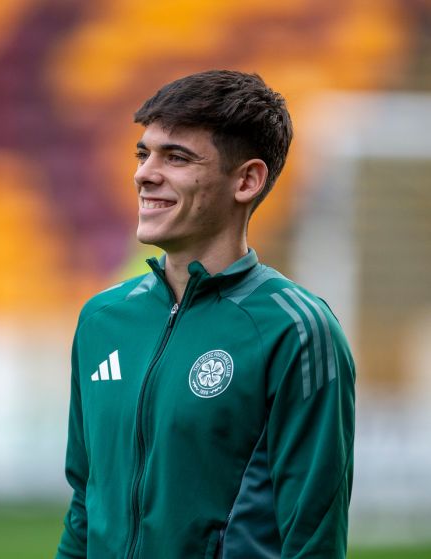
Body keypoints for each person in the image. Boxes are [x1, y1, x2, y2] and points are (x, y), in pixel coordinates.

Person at [55, 70, 355, 559]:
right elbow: (85, 507)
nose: (144, 173)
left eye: (176, 157)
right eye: (143, 153)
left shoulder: (297, 330)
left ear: (247, 180)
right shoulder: (101, 319)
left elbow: (313, 536)